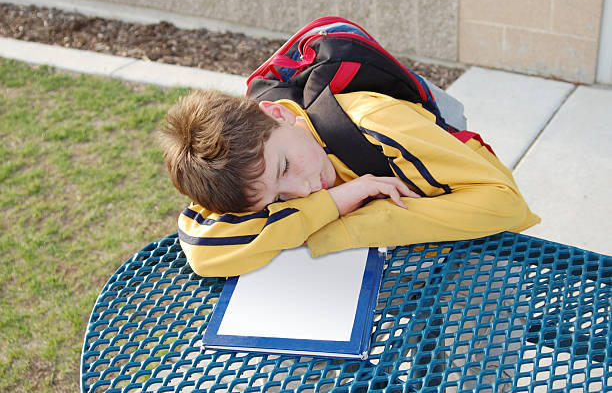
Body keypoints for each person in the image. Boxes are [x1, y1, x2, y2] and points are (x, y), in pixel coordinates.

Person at [159, 89, 540, 277]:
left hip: (478, 246)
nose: (301, 192)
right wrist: (336, 201)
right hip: (395, 265)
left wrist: (348, 225)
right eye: (276, 198)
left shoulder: (376, 121)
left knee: (475, 363)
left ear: (276, 113)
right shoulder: (242, 168)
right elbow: (203, 246)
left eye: (286, 167)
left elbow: (506, 203)